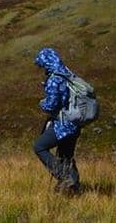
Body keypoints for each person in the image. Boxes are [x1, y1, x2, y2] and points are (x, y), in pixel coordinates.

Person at [33, 47, 81, 194]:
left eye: (41, 64)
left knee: (39, 147)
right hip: (75, 123)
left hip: (63, 125)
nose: (41, 68)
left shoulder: (54, 79)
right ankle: (74, 189)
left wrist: (42, 102)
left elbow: (51, 105)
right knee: (66, 156)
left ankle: (65, 177)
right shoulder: (67, 73)